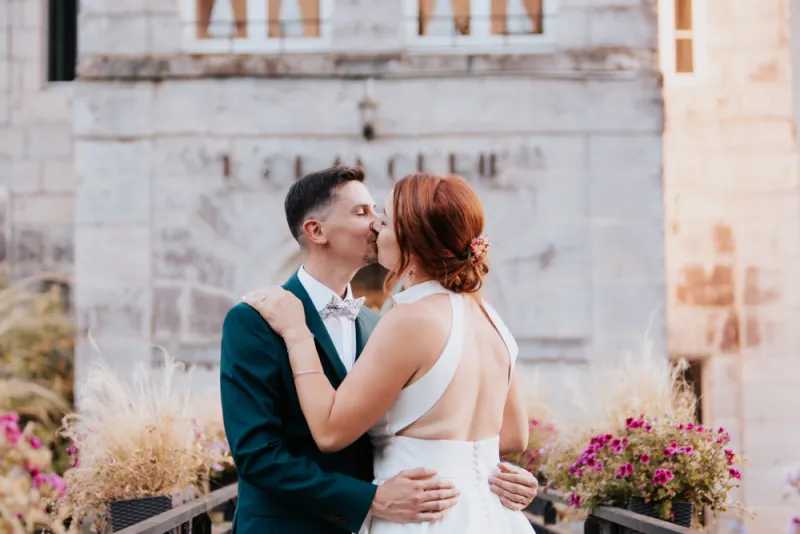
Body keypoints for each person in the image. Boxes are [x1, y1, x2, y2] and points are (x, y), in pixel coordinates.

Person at [242, 170, 538, 534]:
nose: (375, 227)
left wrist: (297, 332)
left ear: (412, 240)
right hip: (492, 515)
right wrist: (480, 468)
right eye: (365, 214)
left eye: (383, 218)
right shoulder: (488, 316)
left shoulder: (406, 318)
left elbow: (332, 433)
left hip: (425, 516)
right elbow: (512, 437)